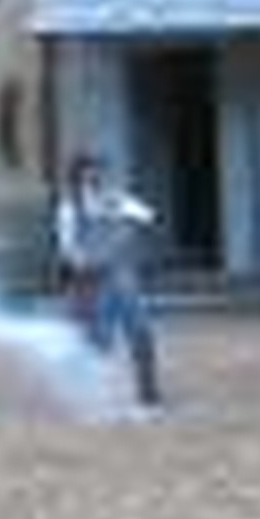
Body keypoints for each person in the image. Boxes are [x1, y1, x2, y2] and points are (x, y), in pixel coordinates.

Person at [56, 153, 163, 408]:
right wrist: (81, 269)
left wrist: (133, 226)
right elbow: (67, 249)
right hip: (92, 279)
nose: (94, 177)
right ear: (77, 177)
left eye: (97, 172)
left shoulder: (116, 199)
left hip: (121, 273)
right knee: (99, 341)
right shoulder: (70, 208)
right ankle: (85, 385)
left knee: (141, 331)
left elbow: (149, 217)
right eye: (87, 173)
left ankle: (148, 392)